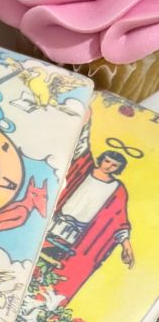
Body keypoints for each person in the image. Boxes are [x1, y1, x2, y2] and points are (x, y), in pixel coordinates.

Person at [41, 119, 133, 304]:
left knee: (53, 270)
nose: (108, 166)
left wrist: (126, 246)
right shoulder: (83, 167)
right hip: (52, 223)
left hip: (76, 236)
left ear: (118, 169)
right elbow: (81, 143)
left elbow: (119, 221)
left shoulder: (117, 189)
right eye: (107, 161)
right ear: (102, 159)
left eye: (114, 165)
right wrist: (86, 118)